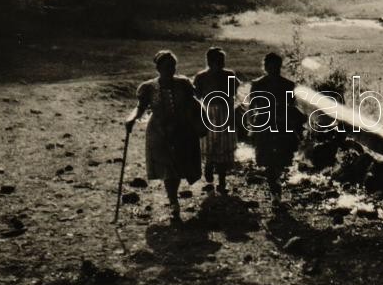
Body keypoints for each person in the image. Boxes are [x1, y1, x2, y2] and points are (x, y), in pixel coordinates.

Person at [125, 50, 202, 222]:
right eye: (166, 67)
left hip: (182, 130)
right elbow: (140, 107)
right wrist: (131, 119)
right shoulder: (148, 87)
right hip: (159, 131)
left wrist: (201, 122)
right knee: (168, 168)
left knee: (179, 165)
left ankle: (173, 197)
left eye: (173, 66)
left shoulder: (183, 83)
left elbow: (194, 103)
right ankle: (173, 201)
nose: (170, 70)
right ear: (158, 68)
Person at [248, 52, 302, 203]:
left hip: (282, 125)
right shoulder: (257, 84)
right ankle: (275, 190)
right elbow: (252, 107)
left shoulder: (288, 85)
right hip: (264, 124)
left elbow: (292, 107)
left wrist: (295, 126)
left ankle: (276, 185)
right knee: (268, 160)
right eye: (270, 67)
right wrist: (252, 126)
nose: (273, 70)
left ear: (280, 67)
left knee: (281, 158)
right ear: (265, 67)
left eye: (276, 67)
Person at [193, 47, 240, 194]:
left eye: (221, 61)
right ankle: (208, 166)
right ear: (209, 62)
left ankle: (222, 180)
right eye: (216, 61)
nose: (220, 64)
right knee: (208, 143)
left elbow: (232, 95)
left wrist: (231, 116)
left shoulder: (229, 75)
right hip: (208, 112)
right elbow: (197, 97)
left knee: (224, 146)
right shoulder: (201, 77)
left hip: (225, 112)